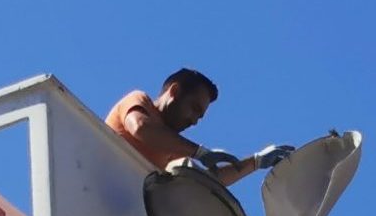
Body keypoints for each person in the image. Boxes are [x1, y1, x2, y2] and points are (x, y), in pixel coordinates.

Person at [105, 69, 287, 188]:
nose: (193, 121)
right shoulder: (139, 100)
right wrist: (199, 152)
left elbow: (206, 183)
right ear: (174, 92)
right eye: (194, 108)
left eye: (199, 117)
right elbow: (141, 127)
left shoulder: (171, 149)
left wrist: (255, 162)